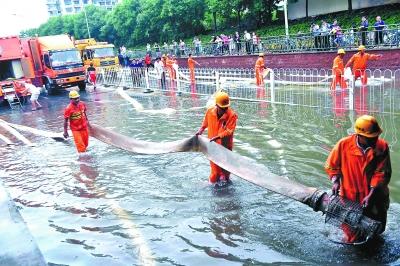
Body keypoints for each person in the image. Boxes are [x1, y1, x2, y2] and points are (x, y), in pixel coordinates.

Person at [325, 115, 391, 242]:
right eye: (371, 137)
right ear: (359, 136)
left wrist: (371, 195)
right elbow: (332, 166)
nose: (375, 139)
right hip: (351, 196)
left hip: (376, 195)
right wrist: (335, 181)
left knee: (377, 228)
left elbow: (381, 174)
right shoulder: (343, 145)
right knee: (351, 232)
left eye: (376, 136)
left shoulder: (382, 147)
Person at [196, 91, 238, 185]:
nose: (224, 109)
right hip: (213, 147)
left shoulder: (232, 115)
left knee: (226, 173)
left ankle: (226, 183)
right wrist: (201, 130)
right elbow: (205, 122)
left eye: (226, 107)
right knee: (215, 173)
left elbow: (229, 131)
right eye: (222, 108)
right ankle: (211, 187)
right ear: (216, 105)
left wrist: (218, 137)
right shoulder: (210, 111)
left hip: (225, 147)